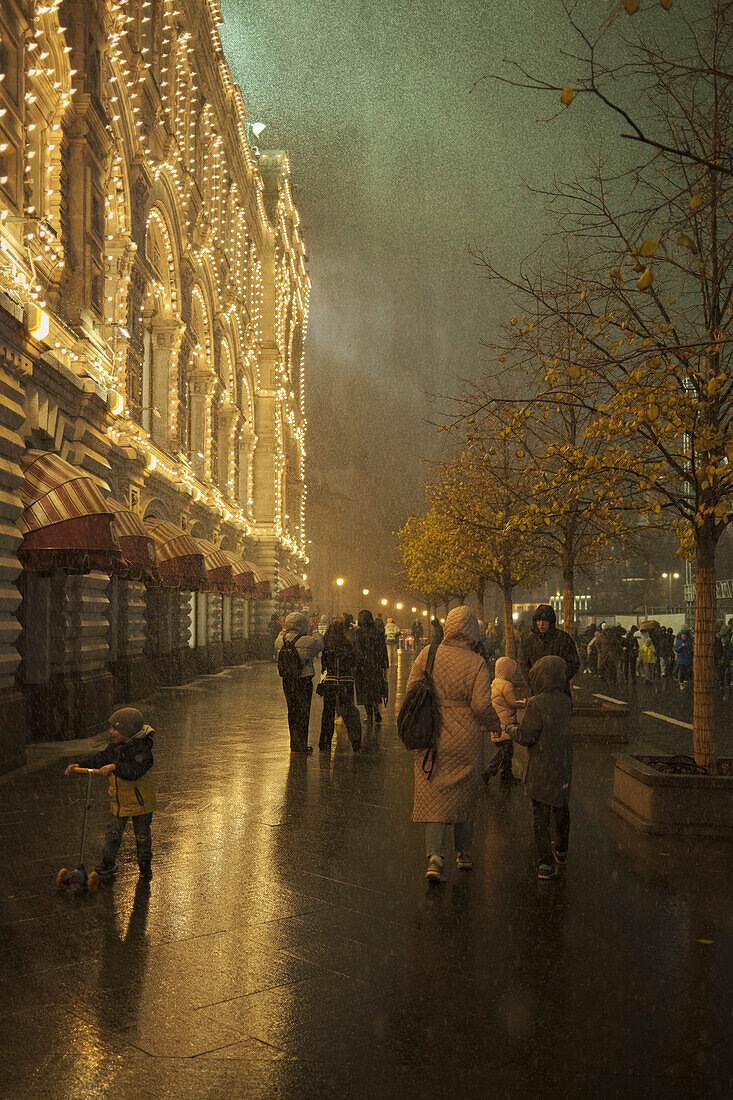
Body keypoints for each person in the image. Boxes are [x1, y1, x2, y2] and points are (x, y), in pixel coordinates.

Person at [407, 606, 501, 883]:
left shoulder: (428, 654)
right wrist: (497, 727)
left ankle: (435, 858)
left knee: (433, 795)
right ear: (473, 630)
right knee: (464, 795)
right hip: (465, 738)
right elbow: (482, 705)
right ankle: (464, 853)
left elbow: (413, 690)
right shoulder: (476, 663)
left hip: (431, 734)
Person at [64, 707, 156, 881]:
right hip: (120, 802)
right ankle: (107, 863)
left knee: (142, 836)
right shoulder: (115, 747)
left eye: (115, 728)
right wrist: (78, 764)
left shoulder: (142, 750)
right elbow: (100, 758)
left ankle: (145, 866)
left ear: (127, 730)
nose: (111, 731)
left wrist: (115, 767)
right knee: (112, 833)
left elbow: (134, 772)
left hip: (141, 802)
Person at [506, 656, 573, 880]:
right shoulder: (565, 701)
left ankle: (544, 863)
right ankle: (562, 850)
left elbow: (527, 736)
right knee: (561, 808)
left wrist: (511, 727)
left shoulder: (536, 703)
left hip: (541, 767)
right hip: (562, 765)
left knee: (540, 816)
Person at [275, 611, 324, 753]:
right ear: (303, 624)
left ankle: (294, 744)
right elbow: (320, 645)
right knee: (303, 712)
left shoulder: (281, 640)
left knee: (292, 711)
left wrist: (283, 629)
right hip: (303, 680)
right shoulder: (307, 640)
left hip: (287, 680)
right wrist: (315, 629)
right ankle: (301, 744)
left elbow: (278, 640)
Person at [319, 618, 361, 751]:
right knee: (349, 711)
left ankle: (325, 742)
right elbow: (354, 662)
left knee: (328, 712)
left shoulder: (326, 646)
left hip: (330, 682)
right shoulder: (347, 645)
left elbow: (324, 666)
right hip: (346, 681)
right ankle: (355, 740)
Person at [521, 604, 580, 696]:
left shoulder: (563, 639)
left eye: (545, 620)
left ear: (551, 622)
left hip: (559, 692)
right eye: (538, 620)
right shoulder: (530, 641)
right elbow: (524, 663)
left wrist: (559, 679)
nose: (541, 624)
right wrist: (532, 680)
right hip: (537, 691)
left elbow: (573, 663)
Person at [483, 656, 525, 784]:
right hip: (505, 723)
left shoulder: (495, 682)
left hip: (497, 721)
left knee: (505, 750)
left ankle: (506, 776)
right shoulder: (506, 685)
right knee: (504, 752)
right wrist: (524, 703)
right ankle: (489, 771)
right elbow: (512, 703)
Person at [353, 609, 389, 723]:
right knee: (374, 690)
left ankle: (369, 716)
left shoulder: (358, 632)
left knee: (364, 692)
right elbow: (383, 649)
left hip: (362, 666)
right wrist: (385, 665)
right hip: (375, 665)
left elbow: (357, 651)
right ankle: (376, 711)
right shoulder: (378, 632)